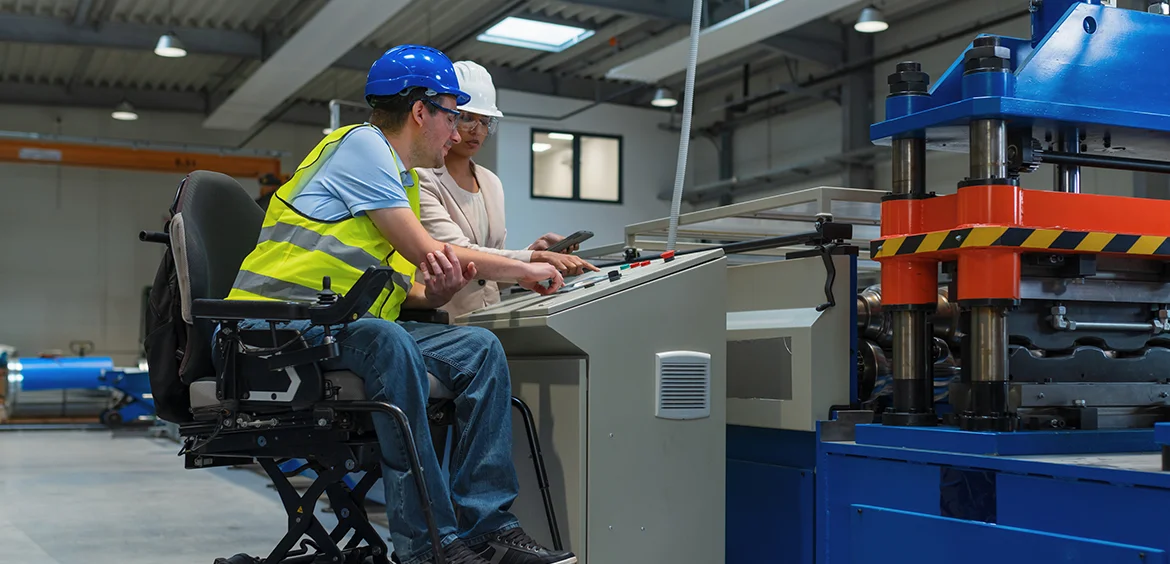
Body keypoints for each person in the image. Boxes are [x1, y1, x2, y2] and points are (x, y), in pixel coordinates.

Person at [221, 44, 576, 564]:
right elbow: (432, 249)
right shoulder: (360, 147)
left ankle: (488, 528)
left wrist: (433, 293)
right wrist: (524, 266)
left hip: (334, 326)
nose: (458, 133)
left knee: (478, 349)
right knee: (386, 340)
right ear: (419, 111)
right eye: (452, 116)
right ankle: (428, 544)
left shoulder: (400, 180)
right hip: (268, 328)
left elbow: (404, 282)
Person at [416, 61, 597, 318]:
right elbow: (457, 254)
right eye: (466, 118)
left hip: (489, 321)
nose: (476, 130)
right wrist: (528, 260)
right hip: (440, 324)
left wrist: (533, 254)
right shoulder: (422, 178)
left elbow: (487, 279)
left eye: (485, 122)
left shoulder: (491, 183)